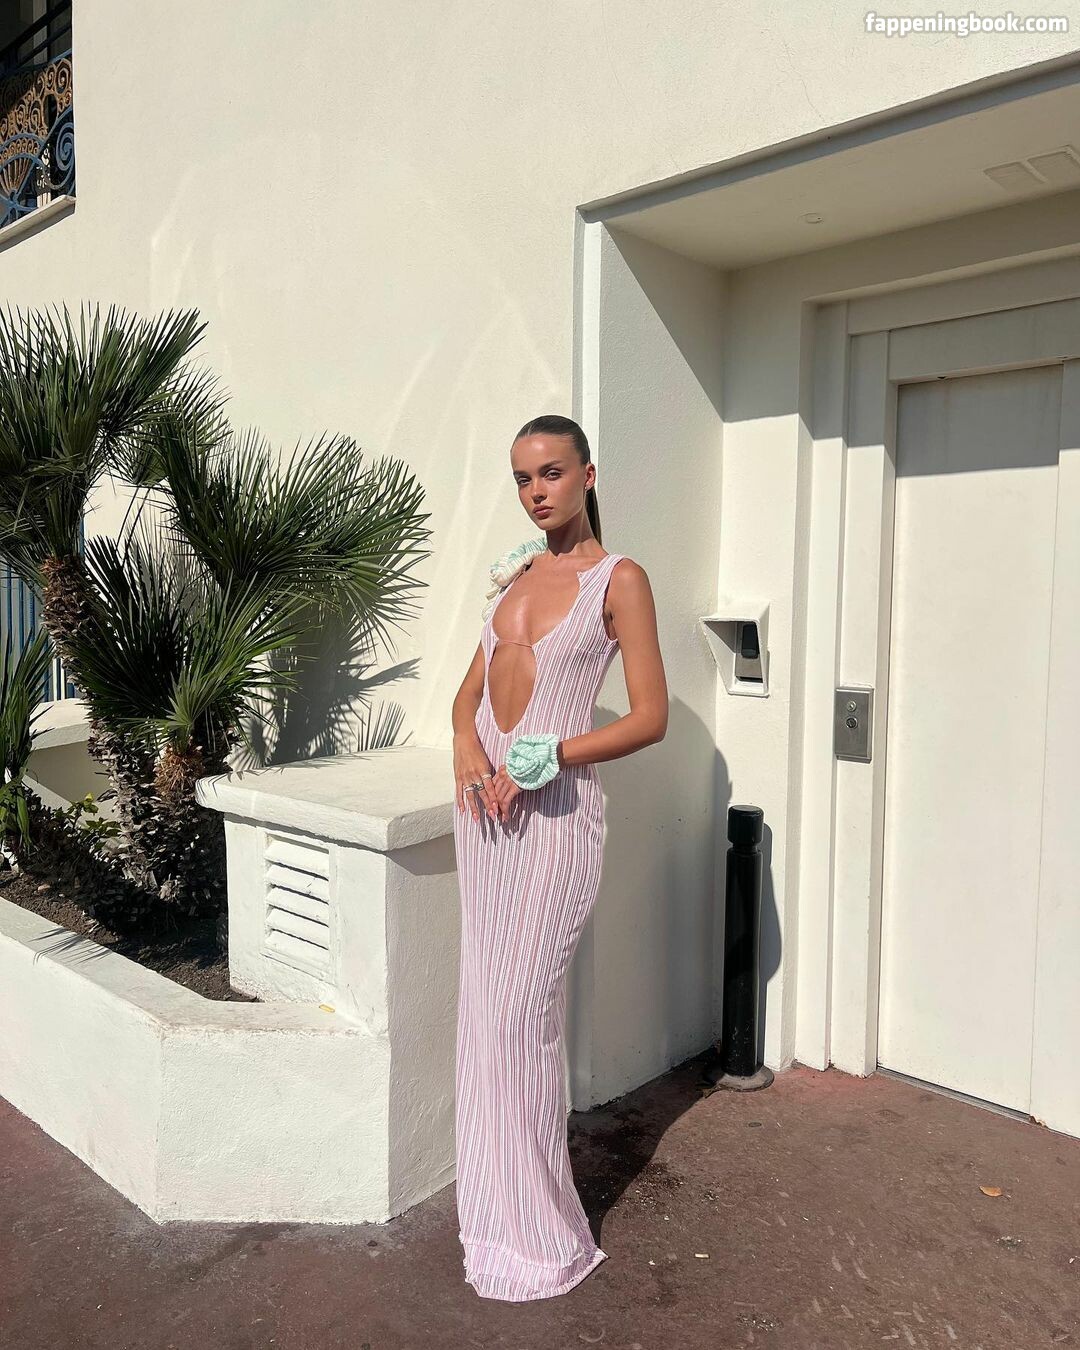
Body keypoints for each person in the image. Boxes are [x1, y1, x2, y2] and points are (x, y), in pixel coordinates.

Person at [450, 413, 668, 1301]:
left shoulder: (619, 580)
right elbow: (466, 699)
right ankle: (492, 1220)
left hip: (555, 821)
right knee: (483, 1018)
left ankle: (541, 1235)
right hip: (483, 816)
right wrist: (466, 745)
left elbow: (649, 716)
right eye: (522, 478)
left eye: (550, 472)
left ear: (587, 474)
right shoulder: (516, 574)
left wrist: (553, 755)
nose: (536, 491)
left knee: (519, 1019)